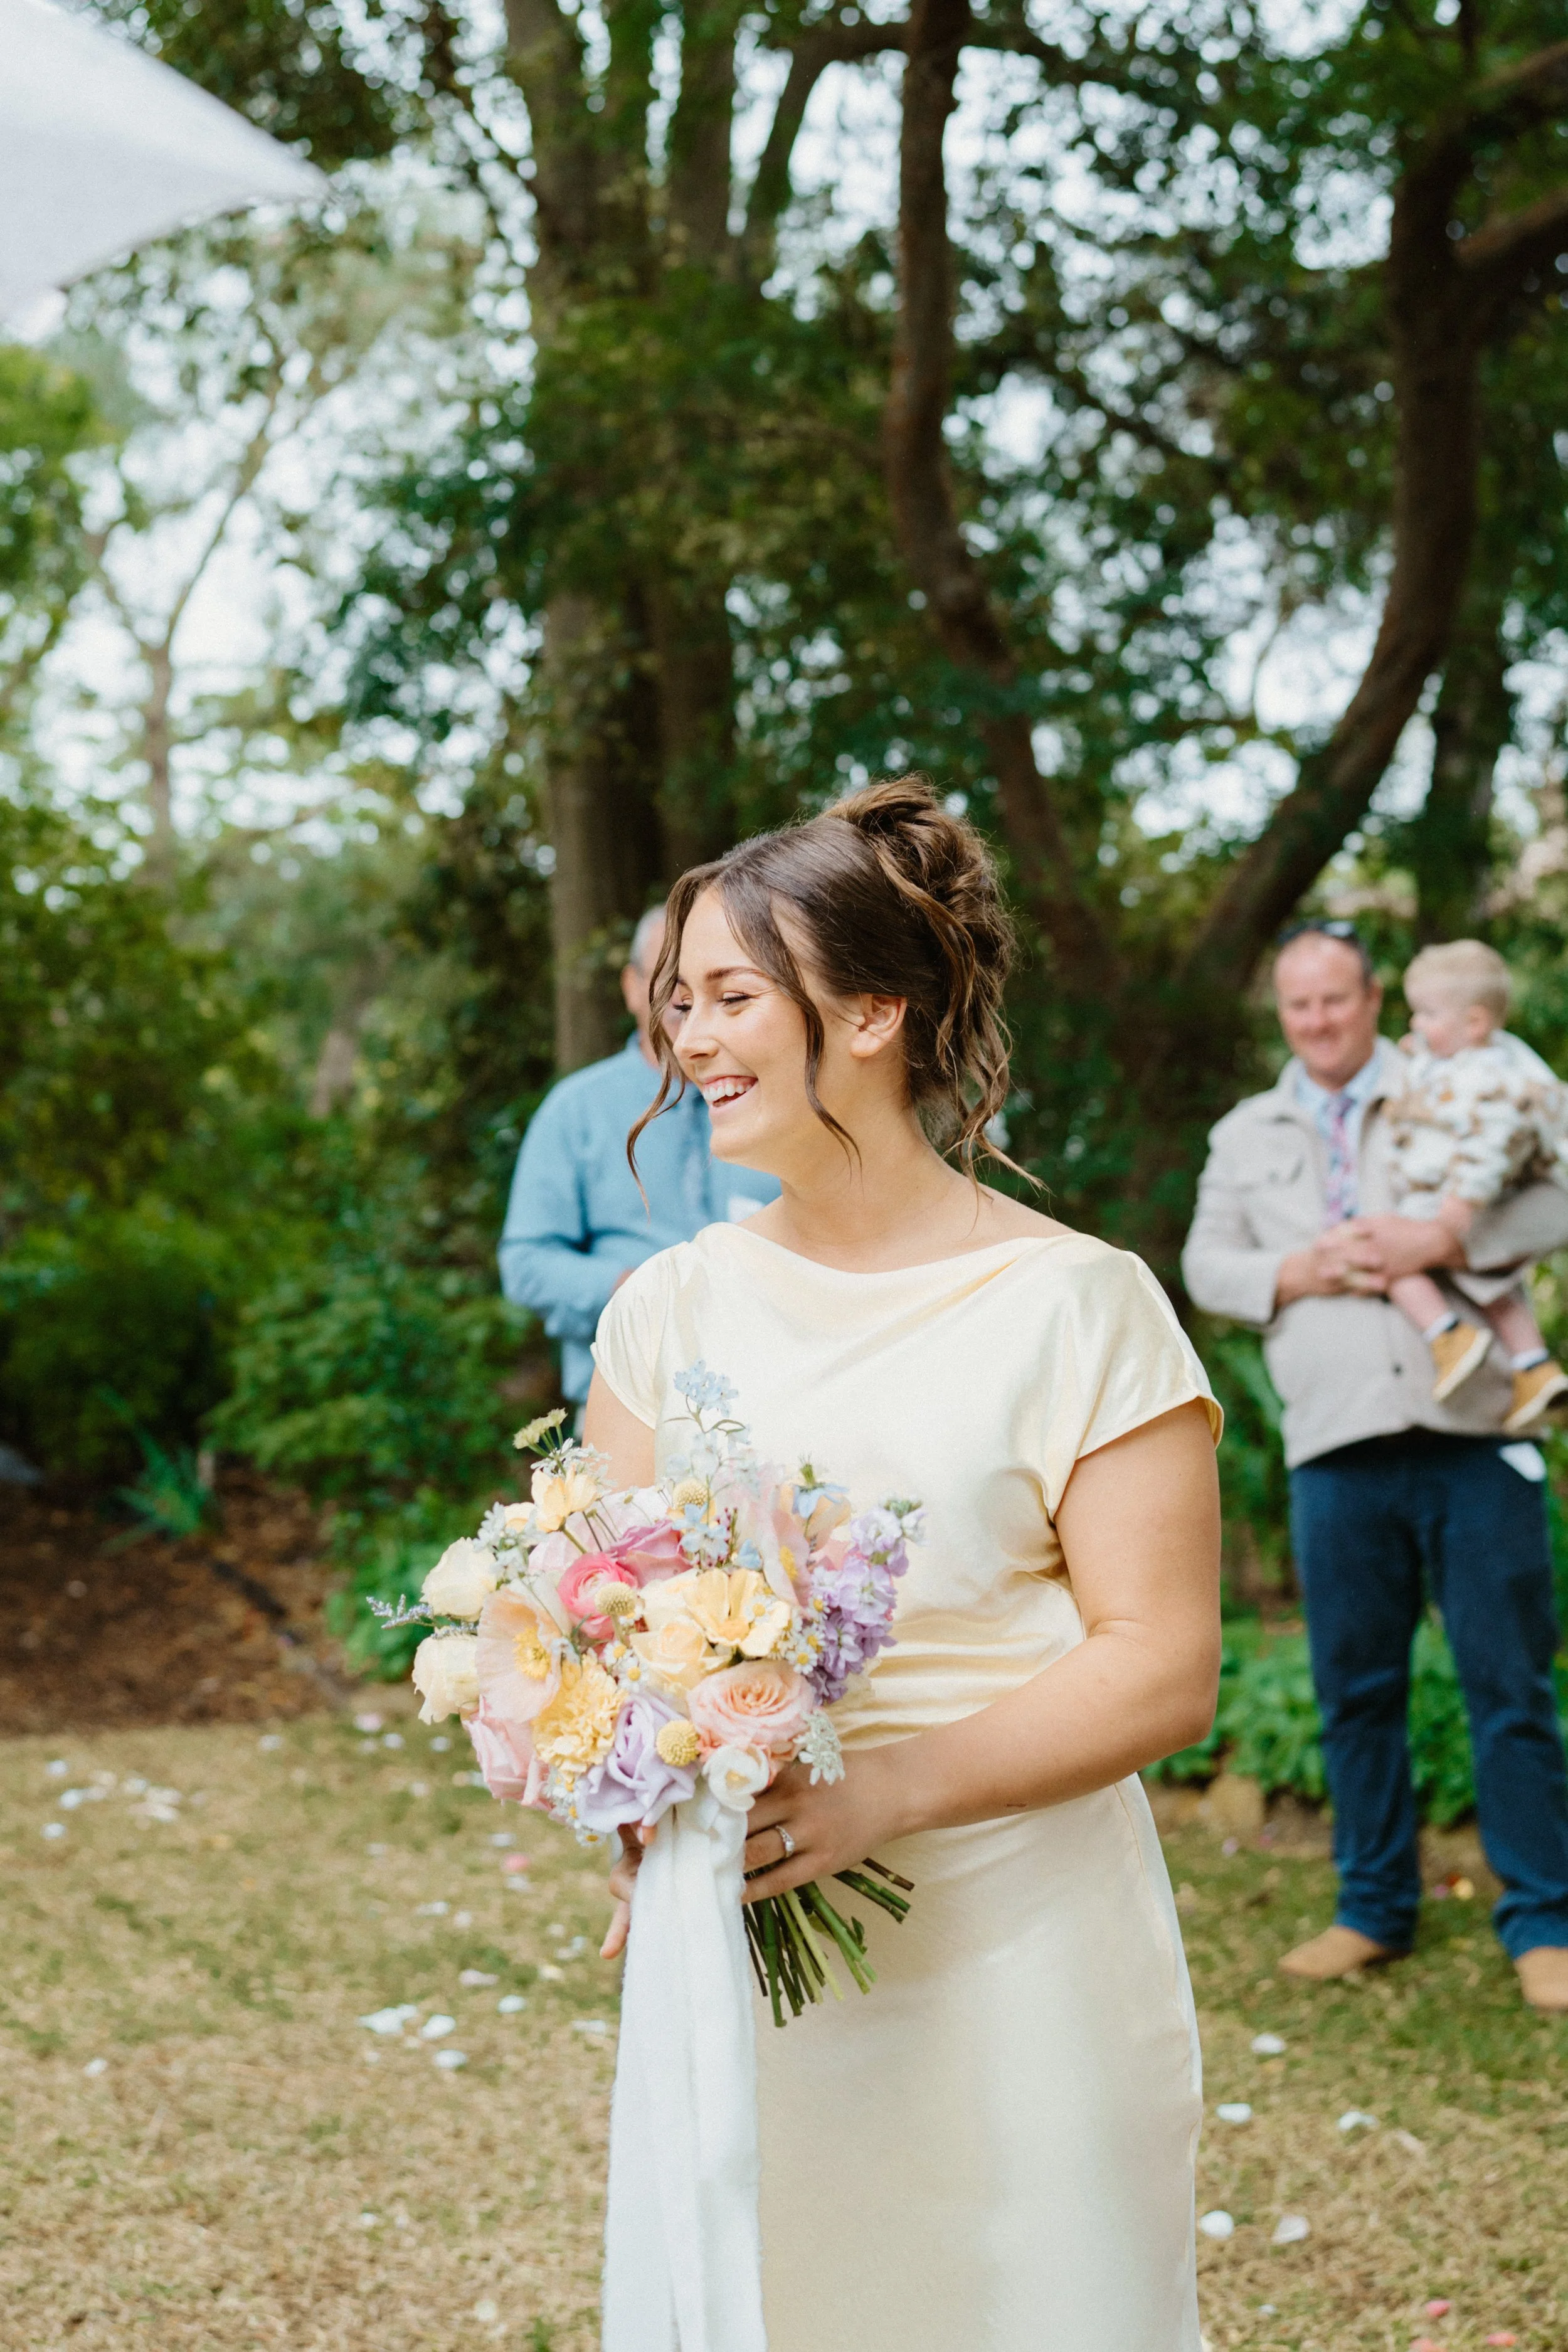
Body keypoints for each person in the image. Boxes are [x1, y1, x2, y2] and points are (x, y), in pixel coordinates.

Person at [585, 779, 1224, 2350]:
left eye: (732, 995)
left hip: (1027, 1950)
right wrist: (643, 1789)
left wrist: (878, 1795)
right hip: (750, 1943)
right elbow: (608, 1608)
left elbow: (1161, 1661)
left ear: (872, 1008)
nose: (689, 1040)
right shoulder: (668, 1311)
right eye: (681, 1001)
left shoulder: (1082, 1303)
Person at [1182, 918, 1568, 2014]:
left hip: (1479, 1435)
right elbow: (1208, 1263)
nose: (1317, 1022)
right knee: (1355, 1691)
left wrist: (1437, 1245)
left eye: (1336, 1001)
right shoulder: (1245, 1131)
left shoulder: (1463, 1080)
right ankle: (1372, 1910)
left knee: (1511, 1684)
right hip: (1336, 1444)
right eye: (1298, 1006)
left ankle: (1544, 1921)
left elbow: (1559, 1194)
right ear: (1282, 1013)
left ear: (1374, 999)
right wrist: (1299, 1269)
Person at [497, 906, 778, 1412]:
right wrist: (637, 1291)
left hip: (772, 1400)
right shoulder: (576, 1109)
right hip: (628, 1407)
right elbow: (526, 1263)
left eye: (717, 985)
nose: (686, 998)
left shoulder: (777, 1101)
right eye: (671, 977)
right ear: (631, 986)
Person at [1380, 938, 1568, 1431]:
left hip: (1450, 1198)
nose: (1417, 1026)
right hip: (1462, 1195)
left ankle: (1446, 1334)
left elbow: (1491, 1138)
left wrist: (1463, 1201)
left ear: (1476, 1024)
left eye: (1427, 1015)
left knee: (1390, 1258)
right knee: (1494, 1281)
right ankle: (1534, 1364)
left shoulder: (1489, 1076)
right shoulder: (1472, 1057)